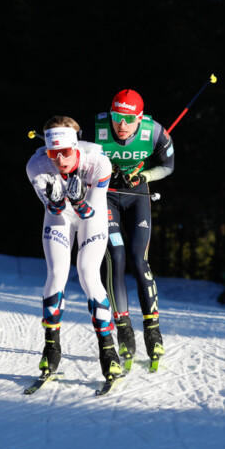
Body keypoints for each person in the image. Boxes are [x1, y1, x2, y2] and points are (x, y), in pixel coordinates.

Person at [26, 115, 121, 382]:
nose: (59, 159)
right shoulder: (36, 165)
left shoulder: (98, 162)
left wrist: (78, 200)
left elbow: (90, 212)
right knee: (57, 274)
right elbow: (51, 207)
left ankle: (108, 351)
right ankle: (51, 348)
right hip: (62, 214)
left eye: (65, 152)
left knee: (87, 272)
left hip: (91, 212)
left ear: (76, 146)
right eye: (52, 152)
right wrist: (56, 202)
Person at [94, 89, 175, 371]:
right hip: (107, 197)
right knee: (115, 255)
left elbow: (168, 165)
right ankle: (124, 329)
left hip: (138, 196)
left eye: (129, 119)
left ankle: (153, 331)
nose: (122, 125)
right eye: (117, 117)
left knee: (139, 259)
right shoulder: (98, 128)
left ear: (139, 117)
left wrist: (144, 175)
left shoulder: (155, 132)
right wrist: (103, 171)